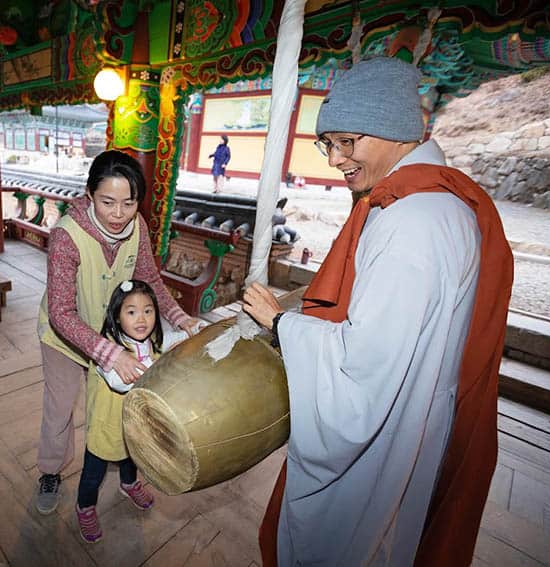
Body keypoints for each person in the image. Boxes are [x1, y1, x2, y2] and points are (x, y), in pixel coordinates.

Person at [242, 57, 513, 566]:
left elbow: (362, 374)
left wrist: (282, 325)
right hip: (415, 418)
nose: (336, 159)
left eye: (349, 141)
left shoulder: (411, 223)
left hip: (382, 439)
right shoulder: (440, 204)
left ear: (392, 130)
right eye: (329, 144)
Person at [35, 150, 198, 516]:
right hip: (63, 337)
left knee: (117, 407)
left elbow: (149, 280)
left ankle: (127, 473)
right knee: (60, 409)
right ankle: (50, 471)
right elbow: (62, 313)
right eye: (108, 202)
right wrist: (110, 354)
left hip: (112, 334)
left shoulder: (136, 226)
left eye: (129, 203)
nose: (118, 213)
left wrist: (178, 317)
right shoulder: (67, 236)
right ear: (89, 194)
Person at [76, 279, 193, 543]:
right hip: (107, 426)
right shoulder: (108, 350)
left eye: (148, 310)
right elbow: (120, 382)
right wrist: (158, 364)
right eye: (131, 312)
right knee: (94, 472)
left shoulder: (152, 340)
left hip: (135, 425)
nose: (142, 319)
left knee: (133, 458)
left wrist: (190, 329)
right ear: (116, 317)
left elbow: (171, 340)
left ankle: (129, 485)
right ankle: (85, 507)